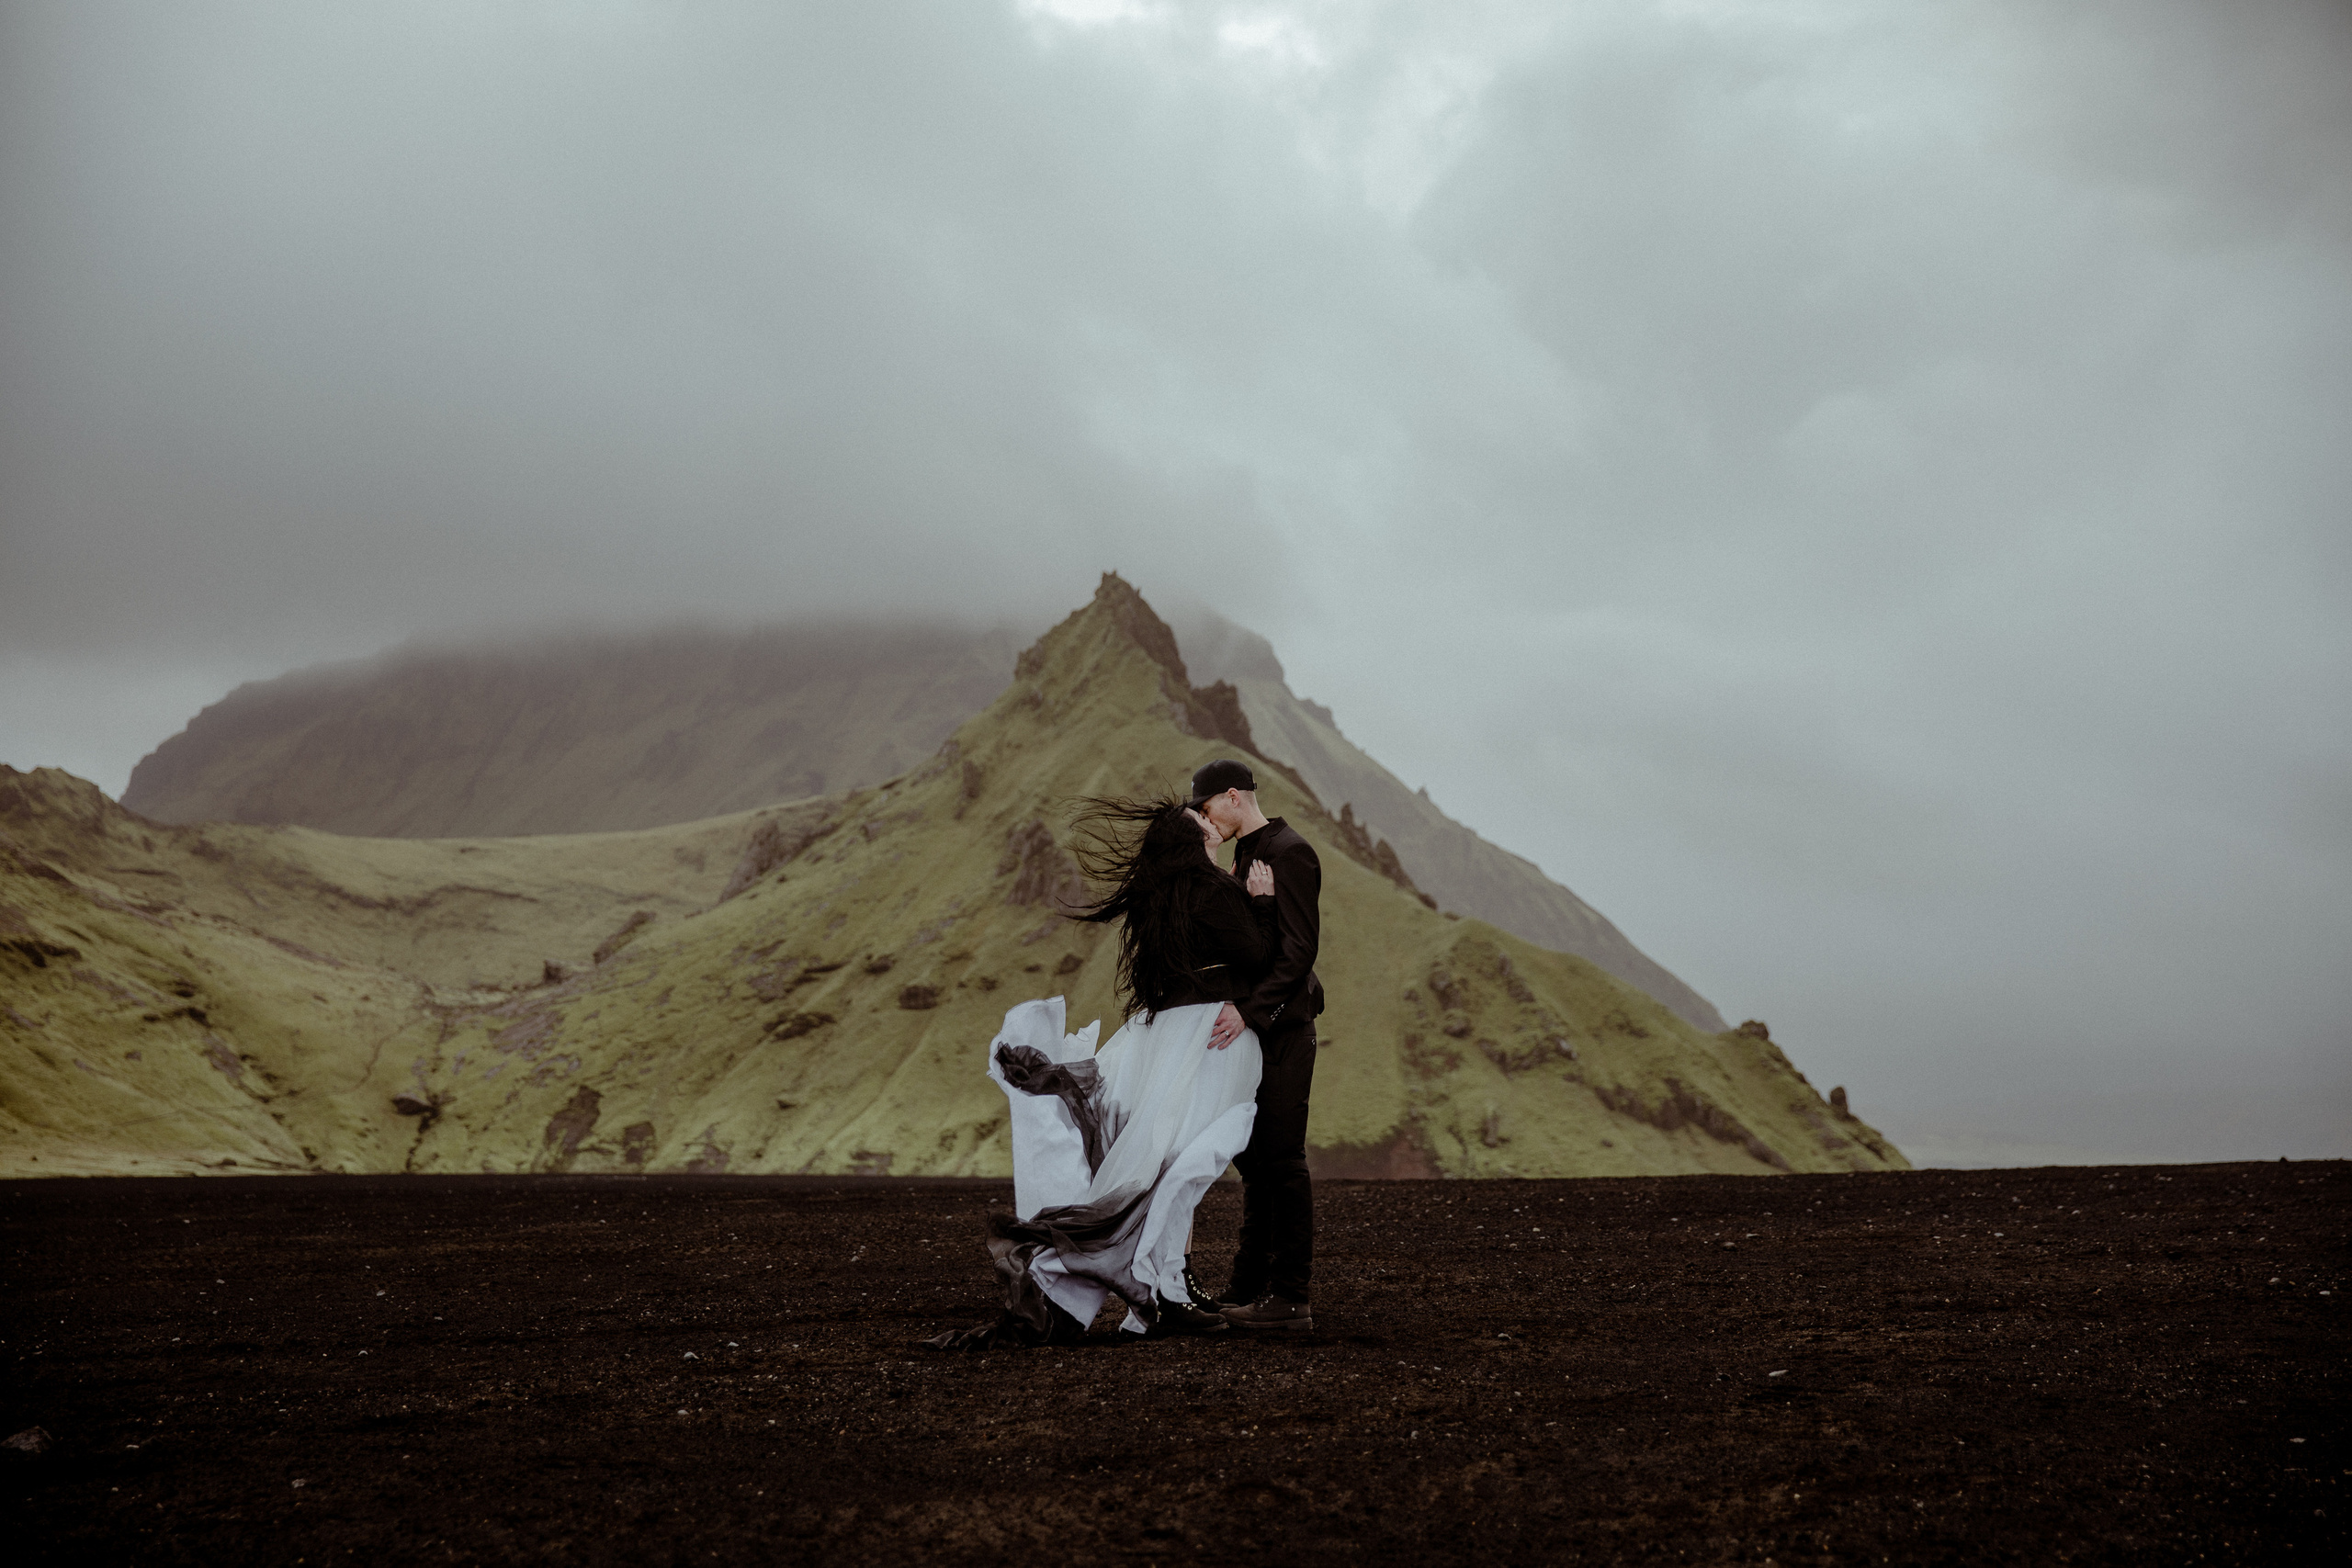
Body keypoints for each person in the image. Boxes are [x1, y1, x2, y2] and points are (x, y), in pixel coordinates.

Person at [929, 795, 1280, 1349]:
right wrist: (1259, 902)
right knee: (1187, 1161)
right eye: (1202, 822)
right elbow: (1259, 957)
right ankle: (1164, 1289)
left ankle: (1167, 1285)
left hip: (1166, 1032)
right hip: (1208, 1038)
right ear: (1190, 843)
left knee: (1169, 1161)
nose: (1212, 824)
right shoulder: (1212, 890)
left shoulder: (1160, 898)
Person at [1190, 758, 1324, 1333]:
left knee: (1283, 1160)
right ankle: (1247, 1287)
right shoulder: (1246, 854)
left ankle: (1291, 1297)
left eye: (1205, 808)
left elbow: (1298, 952)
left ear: (1232, 797)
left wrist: (1250, 1012)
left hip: (1285, 1028)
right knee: (1254, 1161)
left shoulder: (1291, 851)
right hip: (1259, 1029)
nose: (1203, 819)